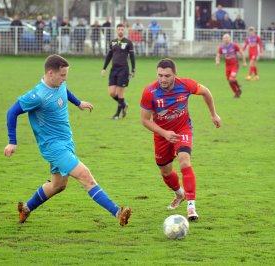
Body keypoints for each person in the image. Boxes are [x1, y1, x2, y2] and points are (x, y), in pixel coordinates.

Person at [4, 54, 132, 225]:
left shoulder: (59, 84)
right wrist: (12, 141)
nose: (65, 79)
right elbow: (12, 112)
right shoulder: (37, 95)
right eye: (62, 75)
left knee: (58, 185)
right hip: (53, 147)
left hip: (66, 142)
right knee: (86, 176)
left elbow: (64, 92)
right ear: (50, 73)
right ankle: (117, 212)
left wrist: (78, 102)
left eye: (66, 75)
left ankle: (26, 209)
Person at [140, 58, 221, 221]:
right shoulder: (149, 92)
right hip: (162, 135)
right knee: (165, 172)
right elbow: (145, 120)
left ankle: (191, 206)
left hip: (182, 129)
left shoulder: (186, 85)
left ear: (175, 75)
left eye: (167, 76)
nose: (163, 79)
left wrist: (213, 114)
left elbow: (206, 92)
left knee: (184, 161)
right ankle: (180, 194)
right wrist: (164, 133)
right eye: (160, 75)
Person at [101, 24, 135, 120]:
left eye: (122, 29)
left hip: (123, 70)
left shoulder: (128, 42)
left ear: (124, 30)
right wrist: (104, 68)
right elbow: (109, 55)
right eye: (119, 29)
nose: (120, 31)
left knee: (120, 92)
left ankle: (117, 114)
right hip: (113, 70)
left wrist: (133, 70)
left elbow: (132, 57)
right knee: (111, 92)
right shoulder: (112, 42)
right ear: (116, 30)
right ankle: (124, 104)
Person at [216, 34, 247, 98]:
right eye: (224, 38)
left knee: (231, 79)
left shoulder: (234, 45)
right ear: (223, 39)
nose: (226, 39)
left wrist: (244, 62)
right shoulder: (222, 47)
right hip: (227, 66)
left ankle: (238, 86)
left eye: (227, 38)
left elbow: (242, 53)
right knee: (229, 81)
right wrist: (217, 61)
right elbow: (218, 55)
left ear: (230, 39)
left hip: (234, 64)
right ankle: (237, 93)